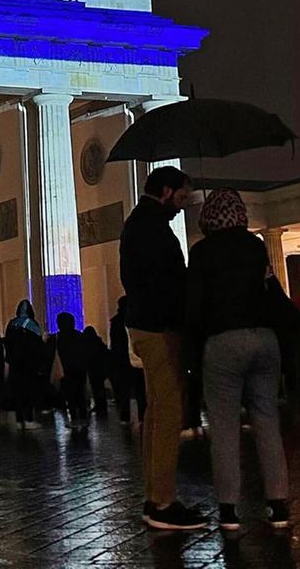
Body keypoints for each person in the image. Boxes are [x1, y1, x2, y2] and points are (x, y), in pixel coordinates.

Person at [185, 188, 291, 530]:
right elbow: (269, 289)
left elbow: (195, 305)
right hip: (264, 338)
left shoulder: (201, 253)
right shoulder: (255, 246)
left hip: (223, 340)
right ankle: (278, 503)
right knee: (266, 420)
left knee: (225, 426)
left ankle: (229, 508)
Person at [119, 165, 207, 530]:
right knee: (169, 410)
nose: (183, 205)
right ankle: (162, 502)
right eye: (183, 197)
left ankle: (157, 495)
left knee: (157, 410)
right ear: (167, 190)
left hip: (144, 323)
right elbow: (166, 281)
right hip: (159, 326)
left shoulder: (140, 223)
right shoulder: (153, 228)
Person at [5, 300, 46, 430]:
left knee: (17, 393)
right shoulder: (32, 325)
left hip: (15, 365)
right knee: (29, 392)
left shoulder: (12, 324)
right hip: (29, 366)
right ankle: (28, 419)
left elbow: (8, 344)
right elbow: (38, 347)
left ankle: (19, 420)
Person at [109, 298, 147, 427]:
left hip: (121, 361)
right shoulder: (135, 318)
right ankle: (143, 416)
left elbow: (115, 344)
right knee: (140, 389)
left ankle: (125, 416)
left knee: (124, 390)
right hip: (135, 359)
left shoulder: (115, 322)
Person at [52, 313, 90, 432]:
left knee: (70, 396)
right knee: (80, 394)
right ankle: (83, 417)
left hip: (66, 370)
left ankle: (74, 418)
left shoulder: (57, 338)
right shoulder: (80, 335)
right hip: (80, 369)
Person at [83, 327, 111, 422]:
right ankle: (102, 406)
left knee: (95, 388)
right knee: (100, 388)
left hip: (92, 370)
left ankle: (99, 405)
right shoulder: (99, 343)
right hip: (99, 370)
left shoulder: (86, 344)